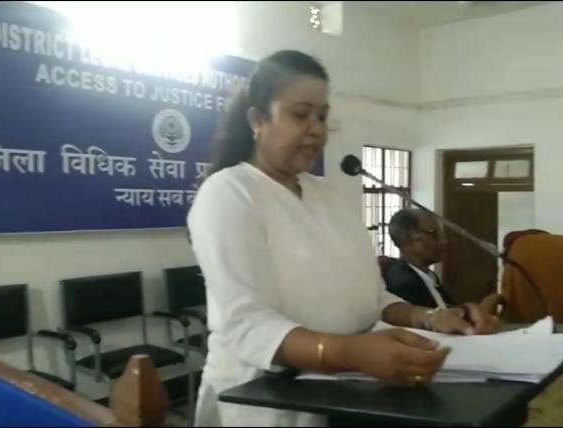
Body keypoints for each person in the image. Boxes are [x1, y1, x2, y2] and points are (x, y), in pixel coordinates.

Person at [187, 50, 498, 427]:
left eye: (322, 116)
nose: (316, 129)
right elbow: (246, 324)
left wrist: (431, 317)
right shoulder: (229, 193)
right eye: (300, 114)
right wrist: (350, 352)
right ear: (257, 120)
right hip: (264, 399)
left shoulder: (330, 196)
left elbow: (372, 298)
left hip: (346, 392)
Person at [384, 208, 503, 322]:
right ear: (410, 238)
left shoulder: (428, 275)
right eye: (433, 233)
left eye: (442, 233)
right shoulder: (403, 283)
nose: (443, 241)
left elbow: (450, 311)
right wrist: (484, 307)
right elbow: (442, 324)